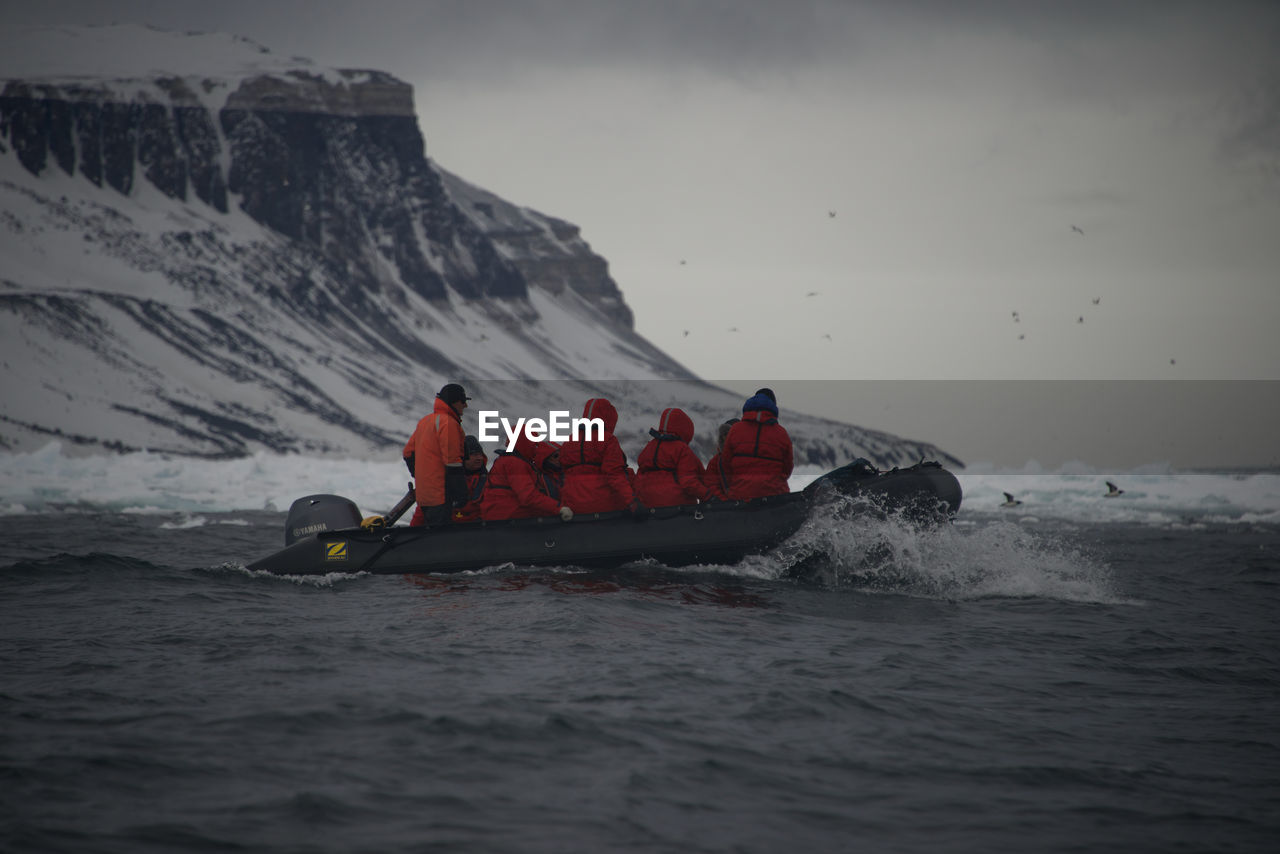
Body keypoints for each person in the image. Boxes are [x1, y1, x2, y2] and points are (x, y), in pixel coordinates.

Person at [403, 382, 470, 526]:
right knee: (443, 539)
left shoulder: (425, 421)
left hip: (425, 495)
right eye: (463, 401)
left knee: (430, 538)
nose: (465, 406)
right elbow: (452, 461)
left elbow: (408, 453)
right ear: (454, 401)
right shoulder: (448, 423)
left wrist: (422, 476)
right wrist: (461, 493)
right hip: (441, 495)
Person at [559, 397, 638, 514]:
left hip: (572, 507)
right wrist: (633, 502)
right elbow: (615, 475)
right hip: (603, 506)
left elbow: (562, 475)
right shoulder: (608, 440)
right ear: (609, 419)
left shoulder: (569, 441)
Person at [481, 432, 573, 521]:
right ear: (525, 443)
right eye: (534, 443)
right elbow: (528, 496)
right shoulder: (514, 463)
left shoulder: (510, 461)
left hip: (501, 515)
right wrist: (558, 508)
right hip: (508, 517)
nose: (536, 448)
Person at [722, 388, 793, 500]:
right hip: (775, 496)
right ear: (773, 407)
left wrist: (736, 484)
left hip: (741, 495)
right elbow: (787, 468)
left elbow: (725, 463)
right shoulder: (781, 433)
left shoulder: (735, 430)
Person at [635, 407, 707, 507]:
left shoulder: (649, 447)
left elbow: (639, 477)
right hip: (678, 507)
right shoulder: (682, 449)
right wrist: (708, 496)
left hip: (648, 507)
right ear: (686, 430)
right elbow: (689, 481)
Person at [452, 435, 490, 522]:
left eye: (480, 455)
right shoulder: (448, 479)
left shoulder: (488, 480)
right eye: (474, 455)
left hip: (479, 527)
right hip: (451, 527)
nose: (479, 458)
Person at [703, 418, 739, 501]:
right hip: (729, 509)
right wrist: (725, 501)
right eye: (726, 434)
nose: (727, 438)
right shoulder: (715, 462)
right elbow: (711, 485)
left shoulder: (748, 458)